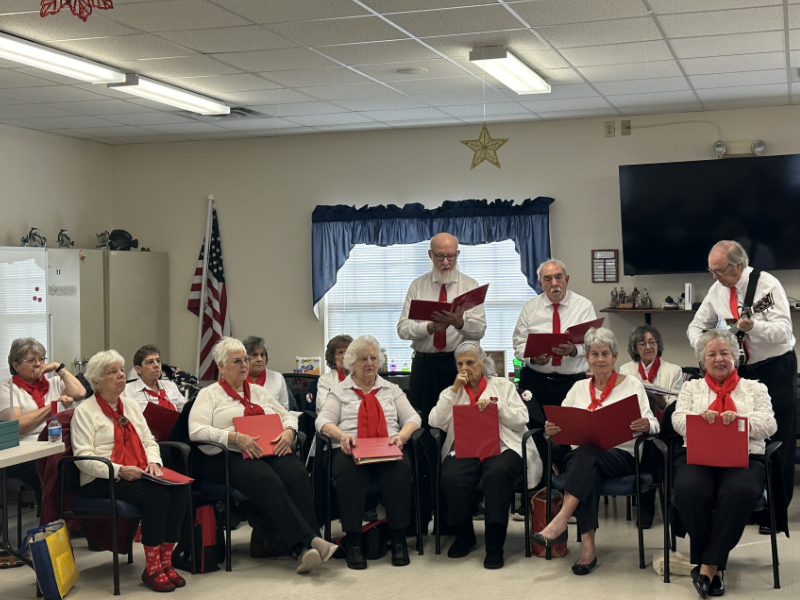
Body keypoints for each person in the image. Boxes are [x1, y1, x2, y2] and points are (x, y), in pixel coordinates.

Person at [189, 337, 336, 575]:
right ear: (221, 366)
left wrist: (290, 432)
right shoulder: (210, 394)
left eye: (245, 360)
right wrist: (233, 437)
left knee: (298, 473)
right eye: (237, 361)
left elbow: (288, 416)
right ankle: (308, 542)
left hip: (267, 448)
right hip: (228, 455)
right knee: (266, 479)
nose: (244, 365)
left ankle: (305, 548)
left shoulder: (258, 391)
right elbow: (196, 432)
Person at [532, 328, 658, 576]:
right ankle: (587, 550)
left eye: (605, 354)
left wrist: (646, 424)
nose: (600, 359)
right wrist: (552, 427)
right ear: (587, 358)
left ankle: (561, 521)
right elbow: (561, 420)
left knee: (585, 458)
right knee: (587, 463)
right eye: (594, 354)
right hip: (584, 458)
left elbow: (653, 424)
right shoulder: (578, 388)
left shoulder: (632, 384)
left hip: (621, 456)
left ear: (614, 356)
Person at [688, 240, 796, 508]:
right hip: (742, 372)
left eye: (719, 271)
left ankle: (777, 511)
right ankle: (749, 503)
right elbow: (695, 326)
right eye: (711, 271)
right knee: (745, 436)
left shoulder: (767, 286)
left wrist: (754, 327)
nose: (715, 277)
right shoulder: (717, 290)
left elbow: (784, 332)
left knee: (778, 438)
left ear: (737, 266)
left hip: (774, 367)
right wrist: (705, 348)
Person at [71, 350, 190, 593]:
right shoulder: (84, 411)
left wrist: (154, 462)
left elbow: (149, 441)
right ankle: (152, 567)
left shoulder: (131, 406)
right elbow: (83, 458)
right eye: (112, 372)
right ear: (96, 382)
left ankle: (166, 561)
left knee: (180, 491)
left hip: (137, 470)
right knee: (157, 495)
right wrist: (119, 470)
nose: (120, 375)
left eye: (120, 370)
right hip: (101, 477)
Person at [672, 329, 777, 598]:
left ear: (735, 357)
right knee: (688, 489)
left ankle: (708, 567)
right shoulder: (691, 388)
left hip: (744, 457)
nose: (719, 359)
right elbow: (678, 419)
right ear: (702, 360)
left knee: (740, 491)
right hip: (700, 455)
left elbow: (770, 424)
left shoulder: (755, 388)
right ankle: (715, 567)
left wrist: (740, 421)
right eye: (712, 354)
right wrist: (701, 418)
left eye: (725, 353)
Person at [429, 342, 542, 569]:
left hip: (502, 446)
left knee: (497, 474)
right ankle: (465, 536)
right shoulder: (451, 392)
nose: (465, 368)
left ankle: (494, 544)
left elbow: (521, 418)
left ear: (482, 362)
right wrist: (453, 390)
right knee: (452, 477)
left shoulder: (502, 386)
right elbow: (435, 421)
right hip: (465, 447)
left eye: (470, 362)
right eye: (460, 364)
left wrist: (496, 407)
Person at [316, 335, 422, 570]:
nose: (370, 363)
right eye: (363, 359)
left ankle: (398, 541)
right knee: (350, 474)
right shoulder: (339, 391)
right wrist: (341, 436)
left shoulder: (391, 390)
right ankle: (354, 542)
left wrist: (402, 437)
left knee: (398, 471)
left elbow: (413, 417)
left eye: (374, 358)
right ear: (351, 363)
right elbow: (323, 420)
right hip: (350, 448)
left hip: (387, 446)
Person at [397, 233, 486, 427]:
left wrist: (460, 324)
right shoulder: (418, 286)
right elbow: (403, 329)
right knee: (423, 423)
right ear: (430, 255)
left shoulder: (470, 286)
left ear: (458, 254)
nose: (446, 262)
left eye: (451, 256)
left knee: (461, 423)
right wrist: (429, 327)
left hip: (458, 366)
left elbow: (479, 330)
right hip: (425, 366)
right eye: (440, 256)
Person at [513, 259, 597, 427]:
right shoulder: (530, 308)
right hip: (536, 381)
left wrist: (574, 350)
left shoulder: (583, 306)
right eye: (548, 279)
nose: (554, 283)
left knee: (571, 431)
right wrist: (533, 358)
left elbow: (594, 343)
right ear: (540, 284)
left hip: (572, 382)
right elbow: (518, 343)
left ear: (567, 279)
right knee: (535, 432)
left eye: (558, 277)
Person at [0, 337, 85, 501]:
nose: (38, 364)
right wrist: (54, 406)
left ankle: (73, 514)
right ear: (16, 366)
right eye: (31, 360)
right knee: (48, 474)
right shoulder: (8, 389)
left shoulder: (54, 383)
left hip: (57, 446)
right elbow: (18, 426)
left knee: (78, 467)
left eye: (42, 359)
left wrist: (58, 367)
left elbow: (80, 393)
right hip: (25, 452)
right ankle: (47, 515)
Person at [619, 325, 684, 529]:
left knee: (653, 446)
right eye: (642, 343)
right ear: (635, 348)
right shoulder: (626, 370)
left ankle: (657, 507)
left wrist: (660, 400)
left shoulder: (673, 370)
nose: (648, 346)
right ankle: (646, 506)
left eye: (652, 342)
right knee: (644, 443)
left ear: (658, 345)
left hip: (665, 428)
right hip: (635, 426)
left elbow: (677, 405)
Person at [124, 345, 187, 412]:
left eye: (158, 361)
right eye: (150, 362)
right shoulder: (127, 391)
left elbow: (187, 411)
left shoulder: (170, 386)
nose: (156, 365)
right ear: (138, 369)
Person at [243, 336, 292, 411]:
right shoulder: (237, 380)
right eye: (255, 355)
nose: (259, 359)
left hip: (273, 418)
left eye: (262, 355)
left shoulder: (278, 378)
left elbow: (284, 410)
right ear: (244, 358)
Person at [317, 334, 353, 413]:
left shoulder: (361, 377)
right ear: (333, 358)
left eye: (348, 352)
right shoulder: (325, 379)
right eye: (340, 352)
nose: (344, 356)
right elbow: (324, 406)